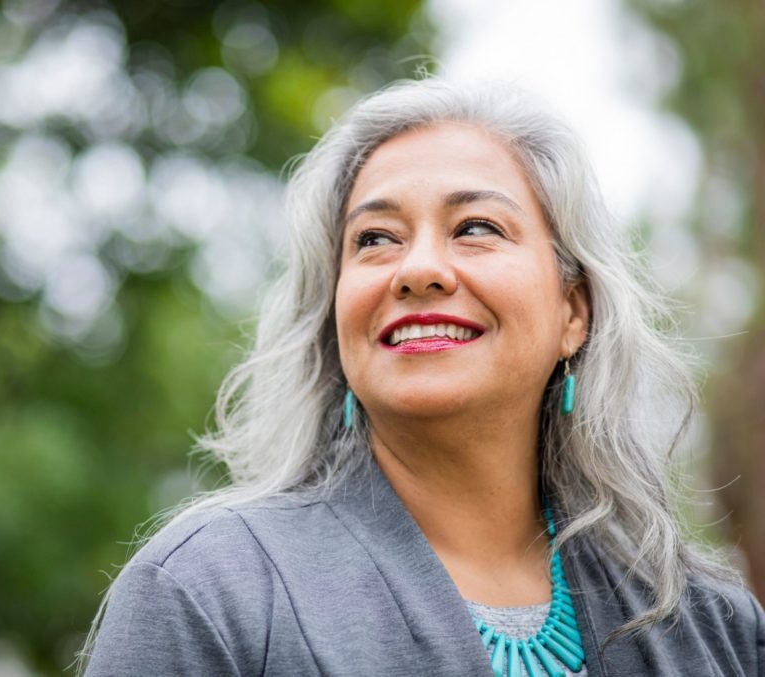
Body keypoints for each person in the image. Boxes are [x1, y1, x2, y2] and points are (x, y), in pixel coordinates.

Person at [80, 78, 765, 676]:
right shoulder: (207, 592)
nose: (418, 269)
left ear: (573, 310)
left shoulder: (712, 625)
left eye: (475, 226)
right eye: (374, 239)